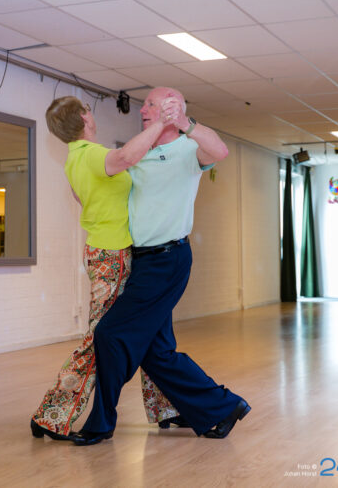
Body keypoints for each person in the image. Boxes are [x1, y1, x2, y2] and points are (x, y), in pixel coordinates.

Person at [71, 87, 250, 446]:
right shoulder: (140, 150)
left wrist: (186, 123)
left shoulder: (188, 149)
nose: (143, 110)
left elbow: (220, 150)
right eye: (144, 105)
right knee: (157, 353)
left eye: (150, 104)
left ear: (172, 109)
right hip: (140, 260)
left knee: (109, 333)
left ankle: (101, 423)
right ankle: (222, 406)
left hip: (167, 259)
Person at [31, 96, 187, 442]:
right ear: (84, 117)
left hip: (114, 249)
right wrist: (163, 122)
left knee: (149, 330)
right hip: (112, 254)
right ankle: (51, 416)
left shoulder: (75, 159)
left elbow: (83, 198)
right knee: (99, 337)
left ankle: (167, 407)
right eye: (88, 108)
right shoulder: (91, 154)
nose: (92, 113)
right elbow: (128, 157)